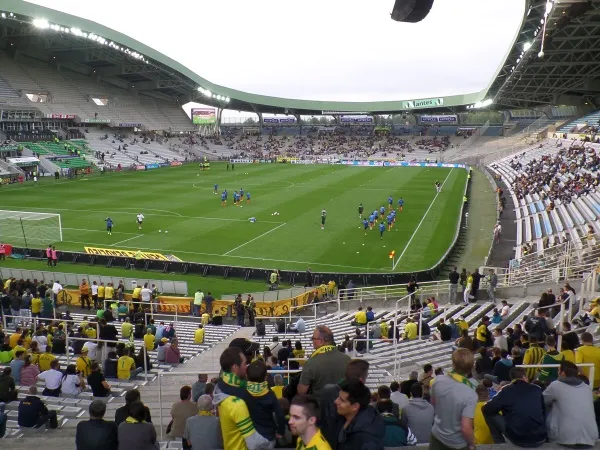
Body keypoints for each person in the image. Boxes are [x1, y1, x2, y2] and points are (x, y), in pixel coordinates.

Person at [213, 346, 271, 449]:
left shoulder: (222, 390)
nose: (247, 366)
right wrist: (271, 440)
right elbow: (253, 444)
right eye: (245, 363)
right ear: (235, 367)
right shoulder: (237, 404)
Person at [482, 367, 547, 446]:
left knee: (484, 409)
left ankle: (499, 442)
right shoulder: (537, 389)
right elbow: (543, 411)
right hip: (540, 437)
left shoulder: (506, 390)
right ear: (524, 377)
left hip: (518, 438)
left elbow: (488, 408)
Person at [430, 348, 477, 450]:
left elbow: (433, 403)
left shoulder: (437, 380)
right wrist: (472, 443)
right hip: (457, 443)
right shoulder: (471, 393)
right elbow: (466, 427)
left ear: (453, 363)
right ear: (471, 367)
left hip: (437, 435)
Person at [543, 360, 598, 447]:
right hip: (590, 436)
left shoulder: (556, 385)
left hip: (566, 437)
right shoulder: (587, 388)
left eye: (558, 370)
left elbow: (543, 401)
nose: (558, 373)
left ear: (563, 373)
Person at [241, 360, 286, 446]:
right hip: (268, 437)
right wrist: (281, 432)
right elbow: (280, 415)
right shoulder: (270, 394)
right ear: (265, 377)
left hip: (248, 438)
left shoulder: (242, 393)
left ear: (247, 376)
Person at [297, 326, 351, 398]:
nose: (312, 341)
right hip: (343, 406)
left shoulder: (311, 363)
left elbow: (302, 391)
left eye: (313, 338)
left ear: (321, 341)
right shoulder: (347, 359)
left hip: (319, 406)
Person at [334, 379, 385, 450]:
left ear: (355, 406)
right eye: (338, 397)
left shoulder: (368, 441)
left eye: (341, 400)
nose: (336, 401)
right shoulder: (342, 417)